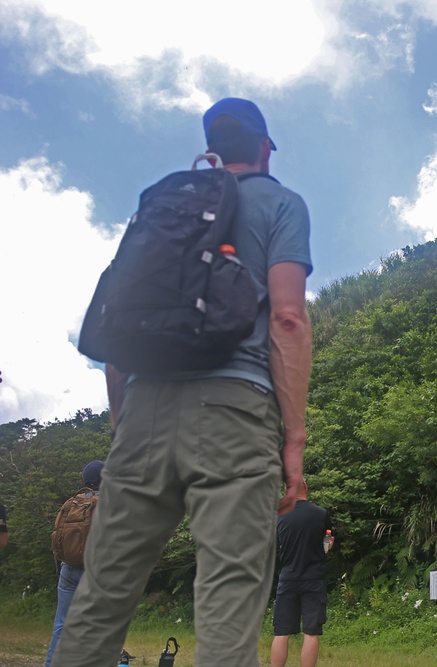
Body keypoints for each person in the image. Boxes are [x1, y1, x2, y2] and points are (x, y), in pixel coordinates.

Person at [52, 97, 313, 667]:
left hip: (142, 409)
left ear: (213, 150)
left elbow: (119, 330)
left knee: (101, 595)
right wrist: (294, 439)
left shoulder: (165, 208)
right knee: (226, 597)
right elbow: (287, 319)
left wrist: (124, 426)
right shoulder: (280, 204)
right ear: (266, 149)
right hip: (235, 414)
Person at [45, 461, 104, 667]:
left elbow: (58, 539)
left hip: (68, 569)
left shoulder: (71, 504)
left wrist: (62, 570)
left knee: (62, 625)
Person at [271, 479, 330, 667]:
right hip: (313, 579)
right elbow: (327, 543)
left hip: (287, 578)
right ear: (306, 487)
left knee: (281, 632)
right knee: (311, 632)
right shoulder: (321, 514)